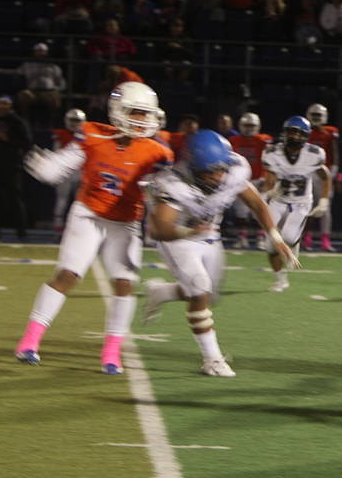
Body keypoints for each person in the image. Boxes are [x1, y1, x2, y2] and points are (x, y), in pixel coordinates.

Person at [14, 82, 173, 374]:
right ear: (118, 111)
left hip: (124, 223)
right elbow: (65, 162)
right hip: (88, 215)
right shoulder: (92, 134)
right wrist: (49, 166)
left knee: (124, 283)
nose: (141, 120)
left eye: (145, 114)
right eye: (135, 113)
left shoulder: (157, 152)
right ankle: (29, 340)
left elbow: (162, 193)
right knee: (68, 274)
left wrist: (159, 198)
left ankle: (111, 352)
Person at [141, 130, 298, 377]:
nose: (218, 176)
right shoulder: (174, 183)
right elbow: (159, 229)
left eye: (221, 169)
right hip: (177, 237)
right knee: (199, 286)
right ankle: (212, 359)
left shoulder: (233, 169)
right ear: (193, 168)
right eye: (210, 172)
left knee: (207, 296)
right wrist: (188, 232)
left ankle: (162, 292)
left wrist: (275, 237)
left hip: (210, 235)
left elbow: (256, 203)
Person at [262, 116, 331, 292]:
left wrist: (323, 201)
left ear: (306, 136)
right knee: (270, 245)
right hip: (278, 201)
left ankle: (295, 241)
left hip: (301, 202)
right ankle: (280, 279)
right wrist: (270, 191)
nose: (294, 136)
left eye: (298, 133)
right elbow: (269, 181)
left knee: (289, 237)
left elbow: (325, 176)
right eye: (291, 132)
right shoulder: (271, 153)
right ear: (284, 133)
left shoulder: (314, 154)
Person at [0, 43, 66, 128]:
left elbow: (62, 83)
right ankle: (25, 122)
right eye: (38, 51)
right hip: (32, 92)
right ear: (34, 52)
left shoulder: (54, 67)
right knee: (22, 95)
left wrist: (56, 89)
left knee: (55, 99)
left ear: (46, 52)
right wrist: (0, 70)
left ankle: (52, 123)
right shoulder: (27, 65)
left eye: (42, 51)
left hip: (49, 92)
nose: (40, 53)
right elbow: (15, 72)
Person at [229, 113, 272, 248]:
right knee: (241, 213)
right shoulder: (234, 140)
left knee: (259, 211)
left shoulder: (264, 140)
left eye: (251, 125)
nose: (249, 128)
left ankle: (260, 238)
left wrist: (266, 179)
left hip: (259, 180)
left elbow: (270, 161)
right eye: (246, 125)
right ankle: (242, 237)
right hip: (241, 180)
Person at [303, 104, 339, 252]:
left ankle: (325, 240)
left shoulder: (330, 132)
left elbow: (335, 152)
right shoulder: (304, 131)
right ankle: (307, 238)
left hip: (324, 173)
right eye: (314, 115)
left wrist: (335, 172)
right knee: (307, 207)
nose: (316, 118)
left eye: (319, 116)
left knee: (325, 209)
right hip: (308, 173)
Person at [0, 94, 30, 240]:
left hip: (11, 165)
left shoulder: (17, 122)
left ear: (11, 106)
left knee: (15, 199)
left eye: (5, 104)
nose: (2, 106)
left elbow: (27, 143)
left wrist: (9, 140)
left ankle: (21, 232)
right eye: (0, 104)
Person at [50, 108, 85, 231]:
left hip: (81, 171)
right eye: (72, 120)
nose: (74, 123)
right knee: (62, 200)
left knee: (79, 203)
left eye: (77, 120)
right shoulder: (61, 134)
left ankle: (77, 228)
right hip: (65, 171)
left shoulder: (87, 136)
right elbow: (57, 152)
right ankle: (58, 227)